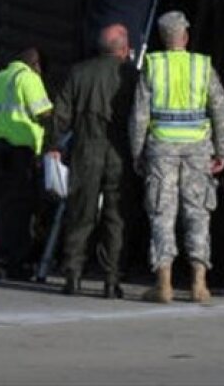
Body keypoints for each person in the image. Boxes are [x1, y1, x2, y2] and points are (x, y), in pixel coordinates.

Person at [129, 10, 224, 304]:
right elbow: (220, 110)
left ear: (163, 39)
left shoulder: (154, 66)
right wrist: (222, 150)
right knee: (197, 212)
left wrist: (137, 152)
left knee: (162, 212)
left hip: (161, 148)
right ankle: (199, 284)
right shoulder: (202, 66)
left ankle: (164, 284)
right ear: (185, 37)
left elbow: (139, 116)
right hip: (198, 149)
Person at [52, 24, 137, 298]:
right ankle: (112, 281)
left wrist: (54, 146)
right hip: (119, 151)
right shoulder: (132, 75)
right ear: (123, 49)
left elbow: (61, 114)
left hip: (85, 149)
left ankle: (73, 276)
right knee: (116, 217)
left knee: (80, 213)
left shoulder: (79, 72)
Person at [0, 47, 53, 280]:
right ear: (35, 64)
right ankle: (15, 264)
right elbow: (45, 114)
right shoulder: (27, 78)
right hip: (18, 149)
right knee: (18, 208)